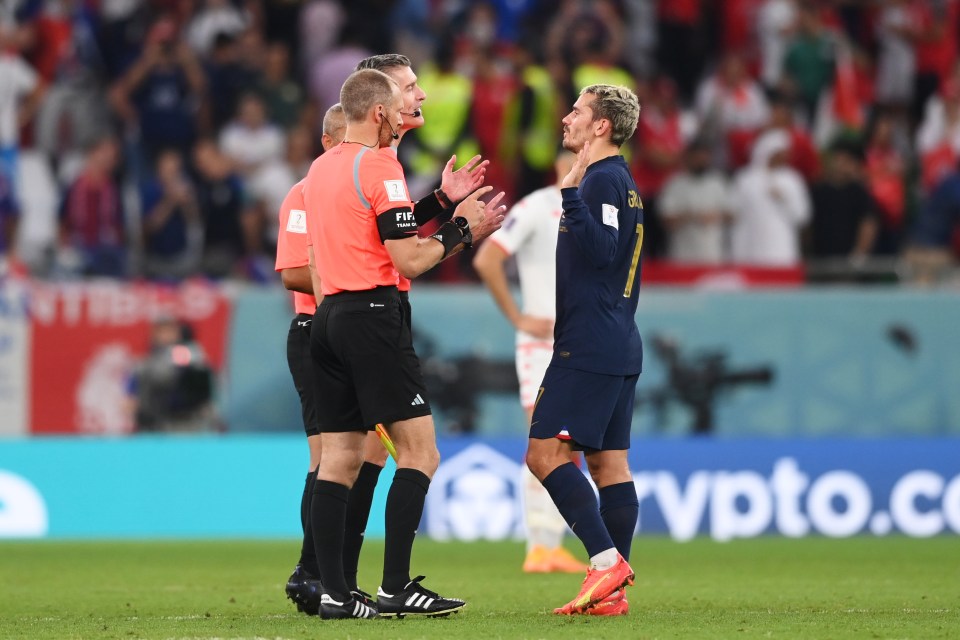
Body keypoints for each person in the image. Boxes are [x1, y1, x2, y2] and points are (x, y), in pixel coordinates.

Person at [281, 54, 493, 616]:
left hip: (327, 321)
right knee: (420, 453)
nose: (410, 107)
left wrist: (441, 204)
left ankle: (331, 592)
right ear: (380, 111)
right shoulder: (379, 167)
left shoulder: (318, 173)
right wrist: (464, 229)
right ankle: (396, 586)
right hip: (373, 317)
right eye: (404, 97)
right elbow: (411, 258)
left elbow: (345, 243)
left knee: (339, 459)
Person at [525, 84, 642, 617]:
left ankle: (604, 562)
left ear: (602, 126)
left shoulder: (600, 181)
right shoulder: (622, 182)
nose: (567, 117)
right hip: (618, 338)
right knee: (609, 464)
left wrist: (570, 196)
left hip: (589, 342)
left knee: (543, 453)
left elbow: (603, 250)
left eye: (577, 110)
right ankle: (610, 595)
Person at [472, 151, 590, 575]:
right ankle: (539, 545)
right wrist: (519, 316)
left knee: (568, 447)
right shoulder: (537, 206)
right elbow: (487, 258)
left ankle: (550, 544)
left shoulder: (594, 211)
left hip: (580, 343)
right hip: (541, 345)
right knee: (545, 443)